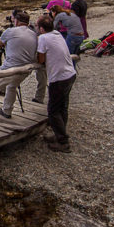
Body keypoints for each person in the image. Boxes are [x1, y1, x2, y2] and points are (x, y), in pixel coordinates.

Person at [37, 16, 76, 153]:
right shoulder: (58, 34)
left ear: (41, 29)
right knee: (63, 107)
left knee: (53, 110)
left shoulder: (43, 38)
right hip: (70, 73)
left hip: (59, 78)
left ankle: (63, 142)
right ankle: (60, 134)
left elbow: (41, 59)